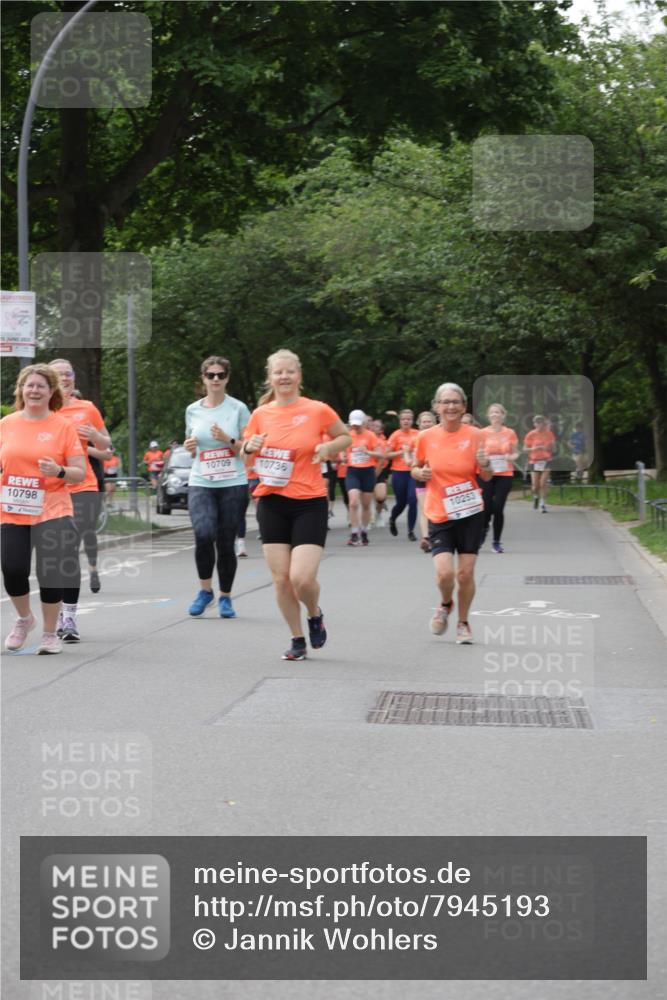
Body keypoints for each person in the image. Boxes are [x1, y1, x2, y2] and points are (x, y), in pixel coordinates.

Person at [242, 348, 351, 660]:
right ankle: (297, 639)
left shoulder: (317, 410)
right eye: (278, 372)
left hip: (309, 501)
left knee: (301, 578)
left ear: (299, 376)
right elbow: (246, 454)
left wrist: (328, 445)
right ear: (270, 378)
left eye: (289, 371)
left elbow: (346, 437)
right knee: (281, 580)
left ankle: (314, 613)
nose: (284, 377)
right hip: (272, 501)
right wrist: (249, 445)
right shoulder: (260, 415)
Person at [1, 364, 86, 654]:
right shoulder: (7, 424)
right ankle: (25, 619)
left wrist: (58, 470)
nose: (34, 390)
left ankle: (50, 634)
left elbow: (80, 471)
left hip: (52, 508)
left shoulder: (62, 426)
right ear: (21, 390)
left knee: (50, 571)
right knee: (12, 569)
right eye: (29, 385)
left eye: (41, 386)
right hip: (13, 508)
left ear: (52, 392)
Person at [412, 382, 492, 644]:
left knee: (465, 574)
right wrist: (419, 473)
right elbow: (415, 467)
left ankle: (463, 622)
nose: (450, 406)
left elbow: (487, 476)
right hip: (439, 513)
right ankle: (446, 604)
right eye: (445, 402)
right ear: (436, 407)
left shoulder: (476, 436)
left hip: (470, 512)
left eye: (455, 402)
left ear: (464, 406)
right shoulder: (425, 437)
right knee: (444, 573)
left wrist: (485, 464)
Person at [48, 359, 112, 640]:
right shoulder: (42, 410)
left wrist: (96, 437)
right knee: (57, 554)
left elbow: (107, 446)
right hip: (52, 489)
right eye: (59, 374)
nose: (65, 378)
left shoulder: (87, 409)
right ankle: (59, 613)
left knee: (70, 548)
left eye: (69, 374)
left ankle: (69, 618)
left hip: (84, 486)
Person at [183, 356, 250, 619]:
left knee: (225, 541)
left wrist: (227, 439)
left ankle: (225, 597)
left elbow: (248, 449)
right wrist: (190, 448)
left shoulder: (239, 408)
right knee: (203, 533)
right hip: (201, 480)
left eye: (220, 375)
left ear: (227, 378)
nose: (215, 379)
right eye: (210, 375)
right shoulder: (193, 410)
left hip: (233, 482)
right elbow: (192, 445)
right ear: (203, 378)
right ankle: (204, 590)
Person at [479, 403, 519, 553]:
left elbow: (516, 453)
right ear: (488, 416)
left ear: (503, 415)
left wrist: (510, 457)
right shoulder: (482, 433)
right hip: (487, 474)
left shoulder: (510, 433)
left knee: (498, 508)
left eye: (498, 412)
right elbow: (478, 453)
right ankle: (483, 531)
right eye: (492, 413)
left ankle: (496, 542)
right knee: (486, 508)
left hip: (504, 474)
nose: (495, 415)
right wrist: (484, 459)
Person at [344, 410, 382, 546]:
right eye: (353, 425)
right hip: (353, 471)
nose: (356, 427)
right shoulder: (348, 436)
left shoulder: (370, 436)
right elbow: (343, 453)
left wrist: (367, 451)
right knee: (353, 502)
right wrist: (342, 457)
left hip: (367, 472)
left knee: (366, 505)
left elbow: (379, 454)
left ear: (364, 423)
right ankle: (354, 533)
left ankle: (364, 531)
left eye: (358, 425)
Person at [386, 409, 420, 541]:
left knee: (413, 499)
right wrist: (401, 452)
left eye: (408, 419)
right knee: (401, 503)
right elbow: (386, 455)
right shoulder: (395, 435)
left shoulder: (417, 434)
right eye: (403, 419)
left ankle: (411, 531)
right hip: (398, 472)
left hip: (413, 470)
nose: (406, 421)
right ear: (400, 421)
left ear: (412, 420)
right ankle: (392, 518)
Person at [524, 415, 556, 512]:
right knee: (535, 485)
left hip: (546, 460)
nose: (539, 424)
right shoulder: (530, 435)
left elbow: (554, 448)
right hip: (534, 461)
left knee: (543, 483)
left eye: (540, 422)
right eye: (537, 422)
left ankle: (543, 504)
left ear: (544, 423)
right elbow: (524, 449)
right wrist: (534, 448)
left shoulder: (549, 434)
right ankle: (535, 497)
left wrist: (549, 448)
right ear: (534, 424)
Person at [415, 410, 436, 551]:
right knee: (424, 508)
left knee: (437, 507)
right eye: (424, 421)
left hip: (438, 477)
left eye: (429, 421)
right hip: (422, 476)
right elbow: (412, 461)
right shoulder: (416, 439)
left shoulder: (440, 437)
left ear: (434, 423)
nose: (427, 423)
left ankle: (437, 536)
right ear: (419, 424)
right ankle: (426, 538)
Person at [370, 418, 390, 527]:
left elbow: (383, 461)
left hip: (380, 470)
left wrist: (377, 473)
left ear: (381, 430)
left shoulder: (383, 442)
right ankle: (368, 517)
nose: (374, 428)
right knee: (368, 495)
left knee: (381, 496)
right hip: (366, 470)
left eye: (377, 426)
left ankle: (378, 513)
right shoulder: (367, 438)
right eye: (373, 425)